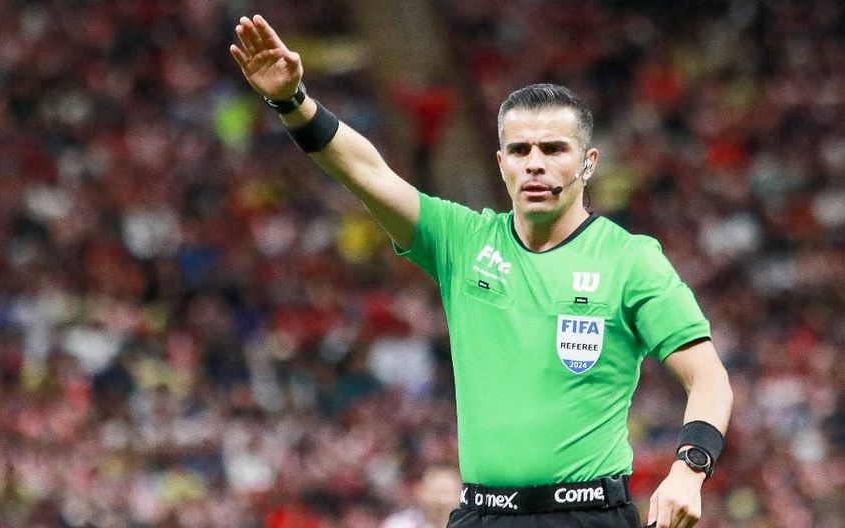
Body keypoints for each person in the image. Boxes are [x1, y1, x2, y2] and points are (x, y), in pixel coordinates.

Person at [229, 14, 733, 528]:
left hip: (588, 515)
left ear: (588, 163)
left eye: (554, 149)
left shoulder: (631, 259)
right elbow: (366, 172)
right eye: (520, 150)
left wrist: (689, 468)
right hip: (482, 514)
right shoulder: (462, 241)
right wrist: (292, 102)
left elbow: (709, 377)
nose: (534, 163)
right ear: (500, 163)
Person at [382, 465, 462, 528]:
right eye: (435, 491)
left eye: (447, 492)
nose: (441, 500)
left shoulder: (466, 524)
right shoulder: (400, 524)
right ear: (421, 492)